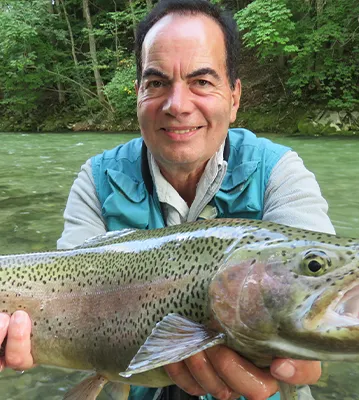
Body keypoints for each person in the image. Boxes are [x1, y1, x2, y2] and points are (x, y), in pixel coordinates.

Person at [0, 1, 335, 399]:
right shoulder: (96, 179)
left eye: (202, 82)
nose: (177, 105)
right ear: (138, 92)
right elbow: (67, 298)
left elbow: (319, 292)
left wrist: (312, 352)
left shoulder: (280, 173)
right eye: (156, 83)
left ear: (234, 96)